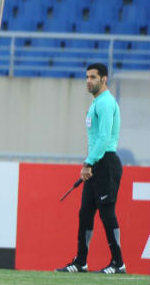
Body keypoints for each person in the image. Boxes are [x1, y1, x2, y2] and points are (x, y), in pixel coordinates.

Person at [56, 63, 125, 275]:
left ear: (104, 79)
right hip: (96, 162)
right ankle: (81, 262)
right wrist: (89, 162)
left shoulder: (105, 104)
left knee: (106, 212)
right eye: (87, 77)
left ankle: (118, 263)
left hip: (105, 162)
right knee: (85, 213)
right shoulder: (97, 103)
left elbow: (104, 138)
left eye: (93, 77)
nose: (88, 81)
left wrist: (88, 163)